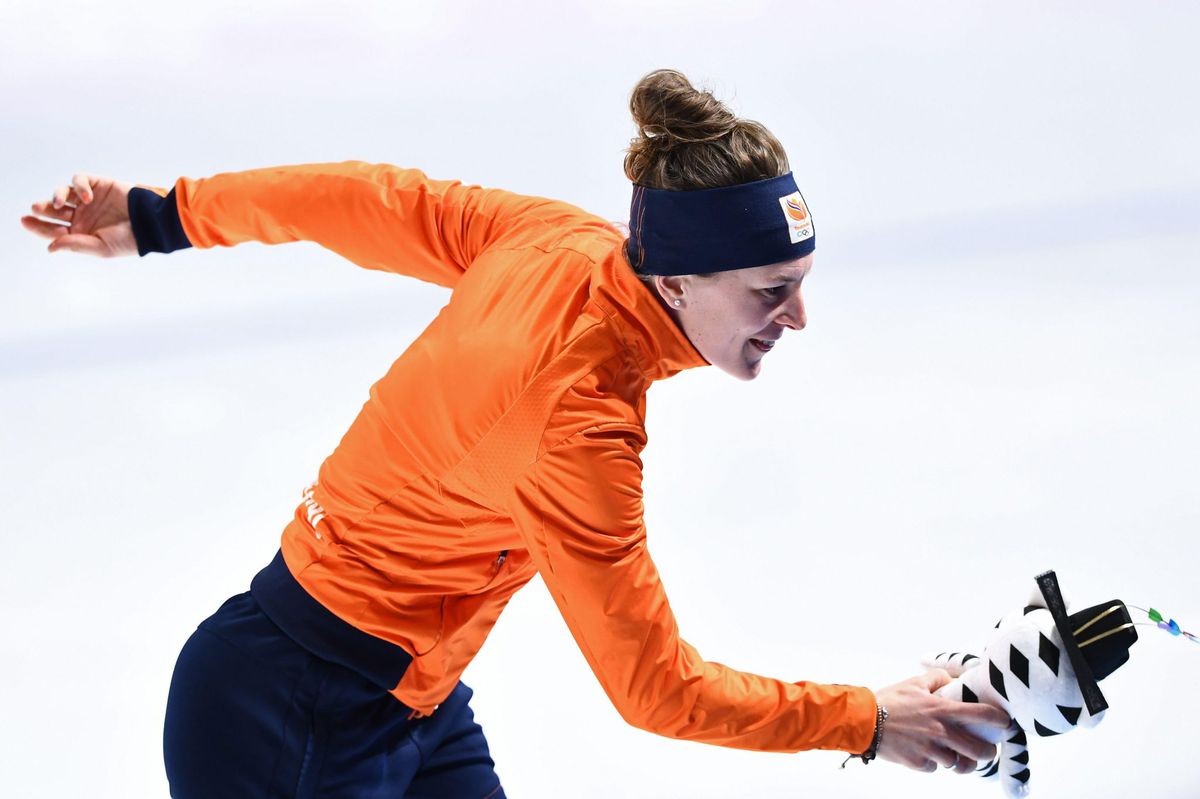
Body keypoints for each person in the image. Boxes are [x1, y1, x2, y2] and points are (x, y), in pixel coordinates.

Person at [20, 69, 1010, 798]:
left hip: (408, 700)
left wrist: (163, 216)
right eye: (770, 292)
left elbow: (364, 200)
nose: (795, 318)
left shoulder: (562, 240)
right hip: (288, 729)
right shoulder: (581, 424)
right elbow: (655, 688)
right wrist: (869, 719)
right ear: (678, 277)